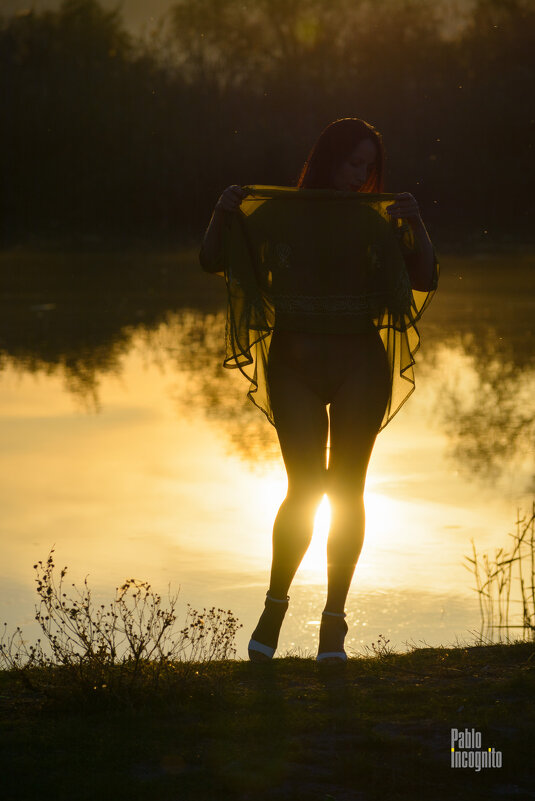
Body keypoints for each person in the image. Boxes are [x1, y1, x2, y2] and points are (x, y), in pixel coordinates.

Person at [199, 117, 438, 664]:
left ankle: (334, 620)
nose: (362, 176)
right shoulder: (277, 213)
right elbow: (213, 260)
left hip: (361, 366)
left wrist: (417, 225)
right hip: (294, 367)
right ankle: (274, 605)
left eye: (370, 167)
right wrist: (221, 210)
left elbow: (424, 277)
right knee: (304, 488)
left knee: (349, 490)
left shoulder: (377, 219)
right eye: (355, 163)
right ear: (328, 159)